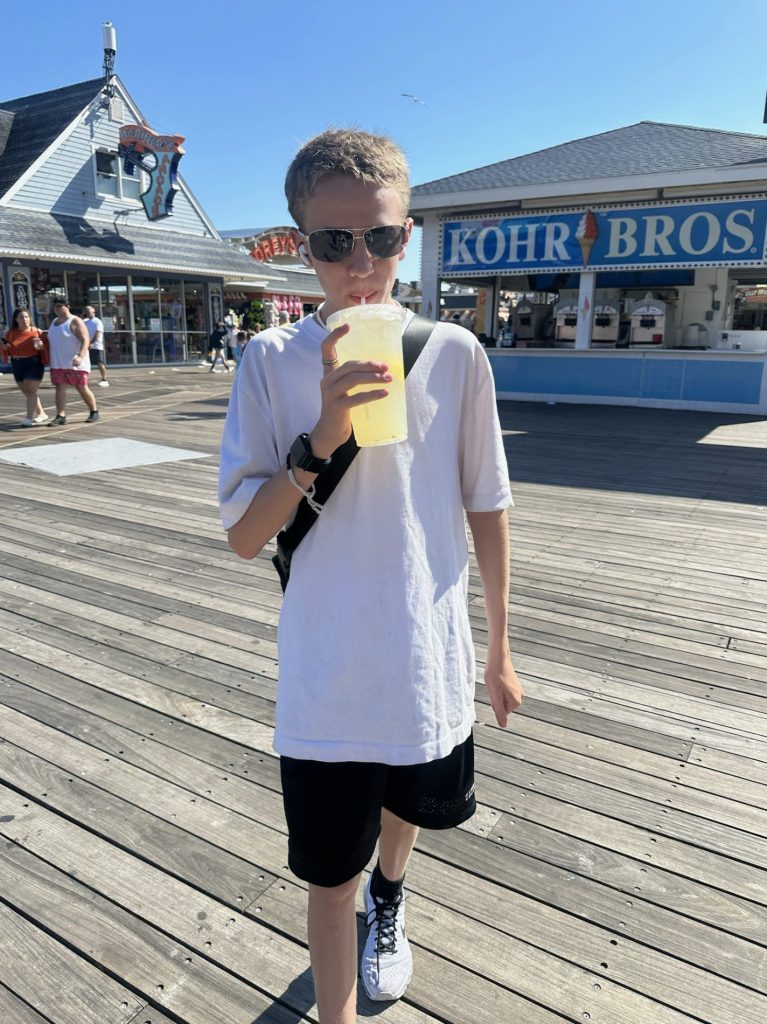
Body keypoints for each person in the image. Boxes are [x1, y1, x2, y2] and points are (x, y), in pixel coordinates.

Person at [218, 128, 523, 1024]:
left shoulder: (456, 354)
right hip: (325, 667)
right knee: (324, 871)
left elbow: (488, 505)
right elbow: (244, 536)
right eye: (334, 243)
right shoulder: (269, 362)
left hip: (426, 649)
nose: (362, 265)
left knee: (407, 801)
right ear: (301, 243)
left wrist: (501, 647)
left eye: (383, 238)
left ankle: (390, 900)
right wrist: (319, 438)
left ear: (408, 234)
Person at [46, 297, 99, 426]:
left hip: (75, 363)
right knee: (60, 388)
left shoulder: (75, 321)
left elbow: (85, 339)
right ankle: (61, 415)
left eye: (59, 306)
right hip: (58, 362)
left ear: (67, 306)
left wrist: (80, 356)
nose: (57, 309)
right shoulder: (54, 322)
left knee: (81, 387)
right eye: (55, 306)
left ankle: (94, 411)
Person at [1, 308, 48, 426]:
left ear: (30, 318)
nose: (24, 319)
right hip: (17, 364)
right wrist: (4, 347)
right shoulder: (10, 333)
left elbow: (46, 347)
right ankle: (41, 413)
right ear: (16, 319)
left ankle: (28, 418)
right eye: (21, 317)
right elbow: (6, 348)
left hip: (33, 363)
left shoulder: (37, 331)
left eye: (26, 317)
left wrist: (41, 346)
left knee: (31, 390)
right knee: (27, 392)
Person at [83, 305, 109, 387]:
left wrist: (91, 343)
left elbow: (98, 333)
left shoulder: (97, 321)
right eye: (86, 312)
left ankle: (104, 379)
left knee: (99, 362)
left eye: (89, 312)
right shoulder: (85, 321)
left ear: (94, 312)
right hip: (86, 346)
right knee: (86, 363)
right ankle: (84, 379)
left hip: (96, 346)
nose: (87, 313)